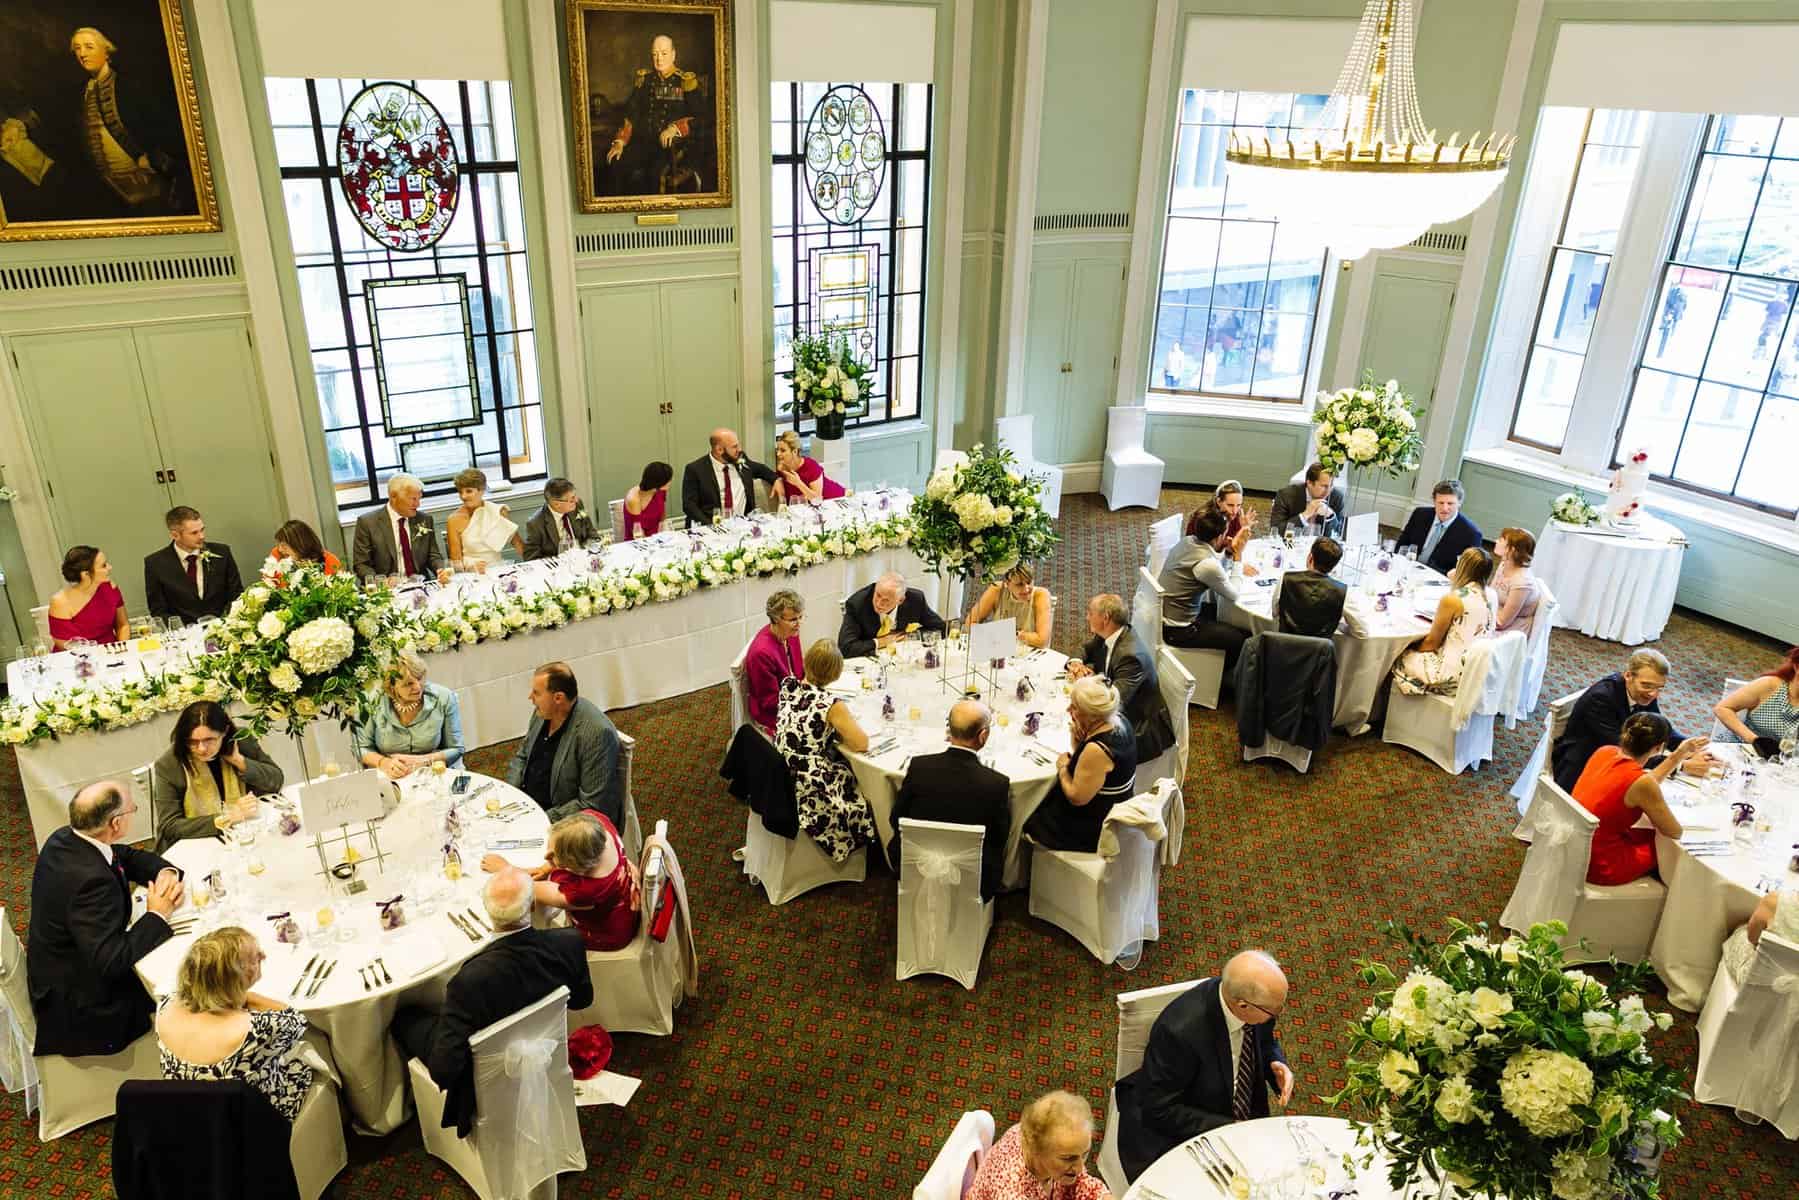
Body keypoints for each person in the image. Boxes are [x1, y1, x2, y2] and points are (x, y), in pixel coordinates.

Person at [391, 869, 593, 1138]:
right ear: (533, 905)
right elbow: (582, 999)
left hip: (484, 1082)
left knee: (402, 1017)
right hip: (547, 1047)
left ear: (487, 912)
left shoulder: (468, 981)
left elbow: (444, 1071)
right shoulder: (569, 942)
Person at [28, 782, 184, 1057]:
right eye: (132, 809)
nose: (133, 812)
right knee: (184, 989)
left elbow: (121, 855)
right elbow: (112, 960)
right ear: (116, 823)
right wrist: (157, 914)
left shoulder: (64, 838)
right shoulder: (91, 883)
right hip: (82, 1006)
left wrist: (164, 871)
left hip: (58, 966)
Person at [1113, 951, 1294, 1183]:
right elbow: (1159, 1109)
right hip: (1187, 1127)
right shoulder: (1179, 1033)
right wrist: (1230, 1127)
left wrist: (1274, 1062)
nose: (1277, 1015)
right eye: (1275, 1011)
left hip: (1241, 1107)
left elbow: (1265, 1040)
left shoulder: (1255, 1004)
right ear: (1242, 1005)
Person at [155, 927, 312, 1121]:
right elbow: (297, 1021)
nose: (263, 956)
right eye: (255, 958)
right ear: (235, 977)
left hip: (191, 1112)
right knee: (311, 1053)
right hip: (253, 1117)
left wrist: (226, 994)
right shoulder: (257, 1029)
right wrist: (246, 996)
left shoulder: (165, 1006)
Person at [887, 700, 1011, 901]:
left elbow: (896, 818)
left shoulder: (919, 767)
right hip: (973, 874)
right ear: (983, 735)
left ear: (949, 730)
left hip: (913, 863)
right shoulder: (996, 783)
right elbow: (999, 837)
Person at [1550, 649, 1713, 793]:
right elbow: (1626, 751)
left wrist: (1689, 747)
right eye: (1647, 686)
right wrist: (1679, 765)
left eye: (1659, 688)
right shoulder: (1600, 699)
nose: (1653, 694)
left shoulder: (1643, 692)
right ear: (1628, 675)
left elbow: (1658, 726)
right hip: (1582, 769)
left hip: (1616, 758)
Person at [480, 810, 639, 952]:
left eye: (554, 856)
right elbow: (568, 845)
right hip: (620, 898)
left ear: (576, 865)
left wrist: (505, 868)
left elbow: (526, 889)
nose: (546, 857)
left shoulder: (585, 891)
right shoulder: (594, 823)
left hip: (605, 931)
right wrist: (546, 867)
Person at [1572, 713, 1703, 886]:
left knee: (1650, 836)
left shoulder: (1605, 751)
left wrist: (1678, 755)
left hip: (1576, 846)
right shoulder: (1642, 783)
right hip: (1601, 864)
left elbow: (1642, 782)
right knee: (1675, 852)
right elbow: (1674, 831)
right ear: (1658, 748)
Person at [70, 27, 190, 215]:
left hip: (146, 180)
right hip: (112, 188)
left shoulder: (129, 84)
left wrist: (149, 156)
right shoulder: (83, 92)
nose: (82, 54)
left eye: (89, 47)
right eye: (77, 48)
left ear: (106, 51)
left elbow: (158, 124)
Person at [775, 639, 875, 863]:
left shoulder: (788, 685)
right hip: (808, 782)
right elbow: (861, 743)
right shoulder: (831, 704)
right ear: (836, 674)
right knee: (856, 780)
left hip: (781, 768)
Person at [1022, 677, 1138, 853]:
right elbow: (1087, 765)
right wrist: (1078, 741)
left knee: (1027, 812)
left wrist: (1062, 767)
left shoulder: (1097, 750)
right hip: (1116, 804)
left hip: (1094, 826)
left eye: (1074, 707)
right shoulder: (1120, 721)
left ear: (1092, 715)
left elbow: (1076, 797)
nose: (1068, 709)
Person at [151, 701, 283, 853]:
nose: (201, 749)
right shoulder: (169, 764)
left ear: (225, 732)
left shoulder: (240, 740)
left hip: (246, 833)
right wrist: (227, 818)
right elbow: (169, 826)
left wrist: (238, 761)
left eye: (209, 740)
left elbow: (276, 781)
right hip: (196, 846)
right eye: (192, 742)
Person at [505, 662, 622, 826]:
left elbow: (591, 805)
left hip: (563, 822)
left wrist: (538, 819)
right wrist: (510, 794)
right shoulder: (543, 713)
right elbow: (522, 757)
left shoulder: (597, 734)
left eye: (536, 693)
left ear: (558, 698)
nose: (530, 697)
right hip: (526, 807)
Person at [1068, 594, 1176, 764]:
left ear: (1105, 618)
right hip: (1120, 704)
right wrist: (1076, 663)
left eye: (1090, 613)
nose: (1087, 617)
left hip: (1138, 728)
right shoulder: (1110, 633)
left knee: (1077, 733)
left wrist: (1086, 686)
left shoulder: (1131, 656)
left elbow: (1111, 703)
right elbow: (1085, 648)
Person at [604, 34, 706, 196]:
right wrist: (620, 141)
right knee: (616, 162)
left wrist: (675, 129)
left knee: (653, 174)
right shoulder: (645, 81)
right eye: (655, 54)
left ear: (673, 55)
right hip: (643, 143)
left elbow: (701, 117)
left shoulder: (685, 82)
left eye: (664, 53)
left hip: (672, 148)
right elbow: (631, 114)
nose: (659, 59)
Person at [966, 1090, 1112, 1200]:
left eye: (1085, 1154)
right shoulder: (1010, 1190)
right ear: (1037, 1150)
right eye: (1069, 1158)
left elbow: (1080, 1182)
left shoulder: (1037, 1130)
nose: (1080, 1168)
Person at [1158, 507, 1252, 673]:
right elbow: (1234, 595)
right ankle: (1223, 676)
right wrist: (1238, 557)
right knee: (1243, 639)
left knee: (1225, 616)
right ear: (1219, 537)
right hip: (1180, 630)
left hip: (1169, 615)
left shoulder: (1188, 541)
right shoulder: (1205, 564)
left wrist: (1227, 552)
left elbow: (1216, 571)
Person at [1392, 547, 1496, 696]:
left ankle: (1381, 707)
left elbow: (1431, 643)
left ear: (1462, 567)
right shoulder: (1489, 599)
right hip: (1474, 675)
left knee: (1395, 656)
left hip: (1449, 677)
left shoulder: (1454, 599)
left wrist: (1408, 647)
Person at [354, 650, 466, 779]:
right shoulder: (372, 702)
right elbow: (361, 747)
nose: (418, 687)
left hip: (435, 772)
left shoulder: (444, 697)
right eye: (408, 684)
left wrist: (424, 760)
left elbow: (457, 748)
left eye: (419, 678)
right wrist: (384, 763)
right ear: (391, 686)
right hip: (391, 774)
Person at [143, 506, 243, 624]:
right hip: (184, 631)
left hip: (224, 625)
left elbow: (236, 595)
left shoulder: (222, 552)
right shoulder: (155, 564)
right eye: (194, 533)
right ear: (175, 535)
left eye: (202, 530)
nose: (201, 536)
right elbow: (158, 610)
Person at [351, 474, 448, 583]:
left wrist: (440, 570)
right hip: (387, 589)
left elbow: (433, 555)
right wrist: (382, 582)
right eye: (413, 499)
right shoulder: (368, 523)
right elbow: (361, 565)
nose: (418, 504)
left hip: (420, 585)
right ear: (393, 496)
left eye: (419, 499)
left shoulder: (424, 520)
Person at [681, 428, 777, 527]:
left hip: (742, 525)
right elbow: (689, 506)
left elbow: (761, 469)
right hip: (710, 526)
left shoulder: (740, 459)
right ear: (719, 450)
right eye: (734, 447)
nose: (739, 449)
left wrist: (776, 479)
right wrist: (712, 526)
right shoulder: (695, 470)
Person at [1710, 646, 1799, 754]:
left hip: (1778, 760)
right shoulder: (1769, 685)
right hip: (1737, 748)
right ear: (1796, 666)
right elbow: (1722, 708)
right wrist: (1755, 741)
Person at [838, 571, 945, 658]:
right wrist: (880, 642)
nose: (879, 603)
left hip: (903, 657)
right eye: (878, 595)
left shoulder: (915, 600)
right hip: (870, 660)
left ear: (900, 600)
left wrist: (910, 637)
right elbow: (845, 648)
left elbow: (941, 628)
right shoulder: (857, 604)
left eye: (886, 600)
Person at [744, 589, 805, 736]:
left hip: (795, 696)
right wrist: (805, 701)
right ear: (776, 619)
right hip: (774, 714)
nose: (799, 624)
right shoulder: (761, 653)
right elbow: (770, 702)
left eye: (801, 617)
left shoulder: (791, 633)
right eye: (793, 620)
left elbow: (799, 672)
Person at [47, 544, 129, 648]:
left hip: (111, 650)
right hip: (77, 655)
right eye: (103, 566)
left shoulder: (111, 587)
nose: (110, 567)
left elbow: (123, 625)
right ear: (85, 574)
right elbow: (65, 644)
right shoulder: (60, 601)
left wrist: (121, 648)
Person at [1394, 480, 1483, 575]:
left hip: (1439, 578)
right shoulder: (1420, 514)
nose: (1444, 508)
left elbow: (1466, 572)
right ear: (1434, 501)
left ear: (1459, 503)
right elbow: (1402, 544)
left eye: (1450, 503)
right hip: (1408, 569)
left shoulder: (1472, 534)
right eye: (1441, 503)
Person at [444, 468, 524, 571]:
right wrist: (472, 565)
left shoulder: (496, 511)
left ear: (482, 490)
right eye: (460, 492)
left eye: (469, 491)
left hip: (498, 569)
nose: (463, 496)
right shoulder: (454, 520)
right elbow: (456, 562)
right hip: (471, 573)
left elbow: (518, 544)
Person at [1720, 888, 1799, 985]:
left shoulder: (1774, 901)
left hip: (1755, 980)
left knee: (1741, 929)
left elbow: (1752, 939)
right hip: (1793, 992)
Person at [965, 564, 1053, 650]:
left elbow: (1042, 641)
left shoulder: (1041, 595)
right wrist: (1021, 636)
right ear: (1007, 584)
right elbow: (969, 624)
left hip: (1028, 652)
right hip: (998, 650)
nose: (1026, 589)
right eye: (1019, 584)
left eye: (1029, 582)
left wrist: (1003, 634)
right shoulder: (996, 590)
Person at [1274, 536, 1347, 639]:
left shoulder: (1286, 579)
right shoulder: (1341, 591)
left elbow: (1275, 613)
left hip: (1283, 645)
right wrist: (1339, 626)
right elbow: (1361, 631)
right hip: (1320, 649)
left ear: (1310, 557)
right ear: (1334, 566)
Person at [523, 478, 598, 560]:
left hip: (585, 558)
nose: (576, 500)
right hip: (559, 564)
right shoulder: (535, 524)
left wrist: (591, 550)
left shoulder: (577, 505)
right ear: (556, 504)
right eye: (572, 499)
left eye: (575, 496)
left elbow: (591, 532)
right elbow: (531, 557)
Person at [770, 429, 846, 505]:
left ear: (795, 451)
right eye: (777, 450)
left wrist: (798, 483)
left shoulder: (811, 466)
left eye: (783, 450)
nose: (778, 454)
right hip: (810, 508)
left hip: (835, 500)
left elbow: (817, 499)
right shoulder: (780, 468)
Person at [1491, 527, 1544, 636]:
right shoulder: (1504, 564)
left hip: (1512, 630)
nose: (1496, 541)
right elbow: (1491, 595)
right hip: (1495, 614)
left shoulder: (1522, 583)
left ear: (1511, 550)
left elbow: (1501, 623)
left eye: (1501, 540)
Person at [1267, 463, 1345, 537]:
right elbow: (1276, 531)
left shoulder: (1336, 497)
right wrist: (1304, 515)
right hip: (1291, 542)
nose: (1328, 491)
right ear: (1309, 483)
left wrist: (1330, 516)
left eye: (1331, 486)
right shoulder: (1286, 495)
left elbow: (1338, 534)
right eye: (1324, 486)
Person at [623, 461, 673, 540]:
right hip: (638, 542)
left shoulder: (660, 491)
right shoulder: (634, 499)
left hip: (658, 538)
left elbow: (662, 519)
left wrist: (665, 535)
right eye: (669, 480)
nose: (670, 482)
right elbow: (638, 533)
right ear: (659, 482)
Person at [270, 519, 341, 575]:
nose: (280, 549)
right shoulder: (277, 555)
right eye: (278, 545)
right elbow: (268, 583)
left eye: (284, 546)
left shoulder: (330, 561)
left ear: (300, 545)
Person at [1208, 479, 1254, 559]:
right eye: (1230, 505)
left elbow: (1233, 550)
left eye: (1238, 505)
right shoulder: (1205, 520)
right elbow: (1206, 556)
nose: (1235, 511)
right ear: (1218, 501)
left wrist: (1243, 529)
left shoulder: (1237, 517)